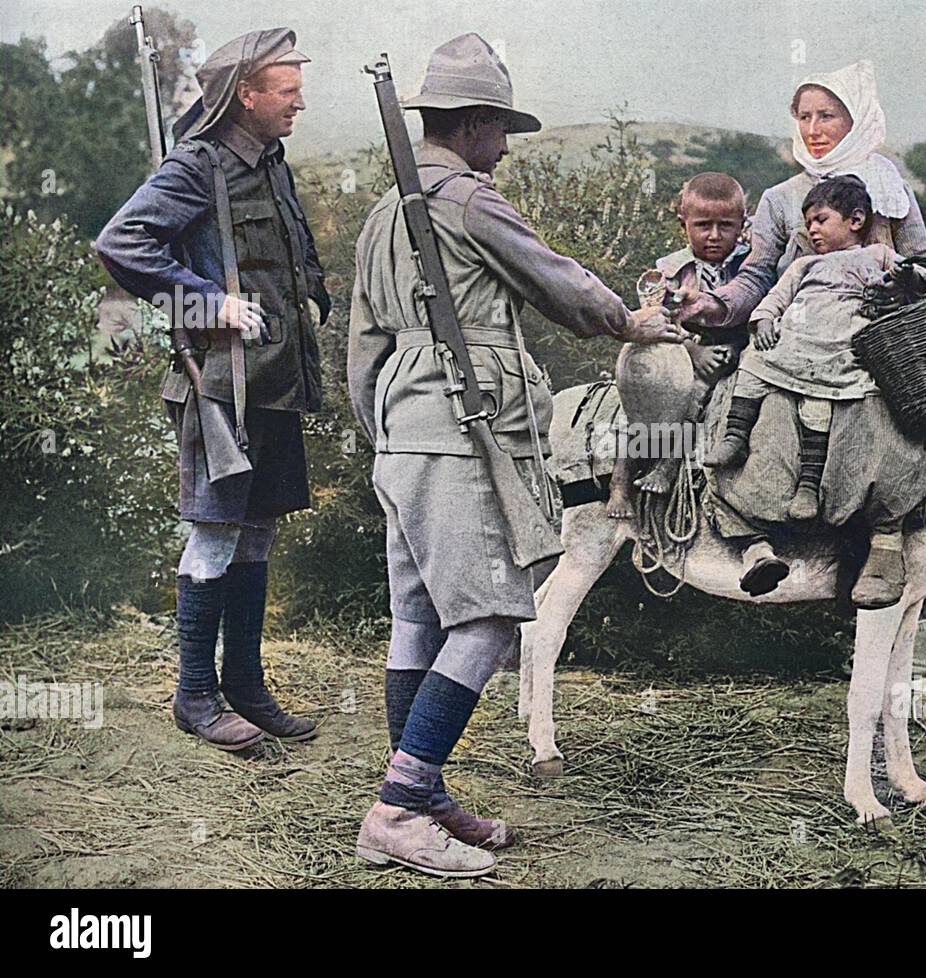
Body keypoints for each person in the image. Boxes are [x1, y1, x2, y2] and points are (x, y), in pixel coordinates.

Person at [348, 33, 682, 878]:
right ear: (472, 126)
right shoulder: (467, 199)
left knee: (419, 617)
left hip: (401, 424)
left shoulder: (387, 211)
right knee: (492, 618)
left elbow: (361, 346)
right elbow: (557, 281)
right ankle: (395, 808)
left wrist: (386, 428)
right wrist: (629, 322)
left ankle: (421, 795)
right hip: (464, 423)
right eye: (500, 129)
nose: (503, 149)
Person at [96, 29, 328, 751]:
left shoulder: (272, 160)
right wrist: (204, 300)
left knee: (257, 533)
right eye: (286, 92)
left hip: (272, 381)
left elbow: (291, 253)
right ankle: (194, 695)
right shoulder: (196, 165)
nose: (299, 103)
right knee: (215, 533)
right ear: (246, 95)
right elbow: (122, 241)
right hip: (217, 385)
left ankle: (245, 685)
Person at [670, 59, 926, 599]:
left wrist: (905, 289)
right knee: (760, 413)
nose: (813, 130)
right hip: (797, 336)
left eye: (828, 116)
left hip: (875, 340)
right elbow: (758, 277)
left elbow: (925, 265)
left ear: (856, 119)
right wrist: (713, 308)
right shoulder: (781, 198)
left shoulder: (888, 187)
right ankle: (766, 535)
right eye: (804, 116)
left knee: (887, 415)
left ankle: (886, 539)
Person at [606, 171, 750, 517]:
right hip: (680, 350)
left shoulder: (749, 266)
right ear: (683, 222)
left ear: (743, 224)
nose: (714, 236)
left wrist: (734, 349)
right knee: (648, 396)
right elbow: (656, 318)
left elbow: (755, 307)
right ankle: (621, 481)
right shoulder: (670, 271)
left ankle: (669, 466)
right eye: (703, 225)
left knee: (699, 396)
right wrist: (691, 349)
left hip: (732, 352)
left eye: (726, 226)